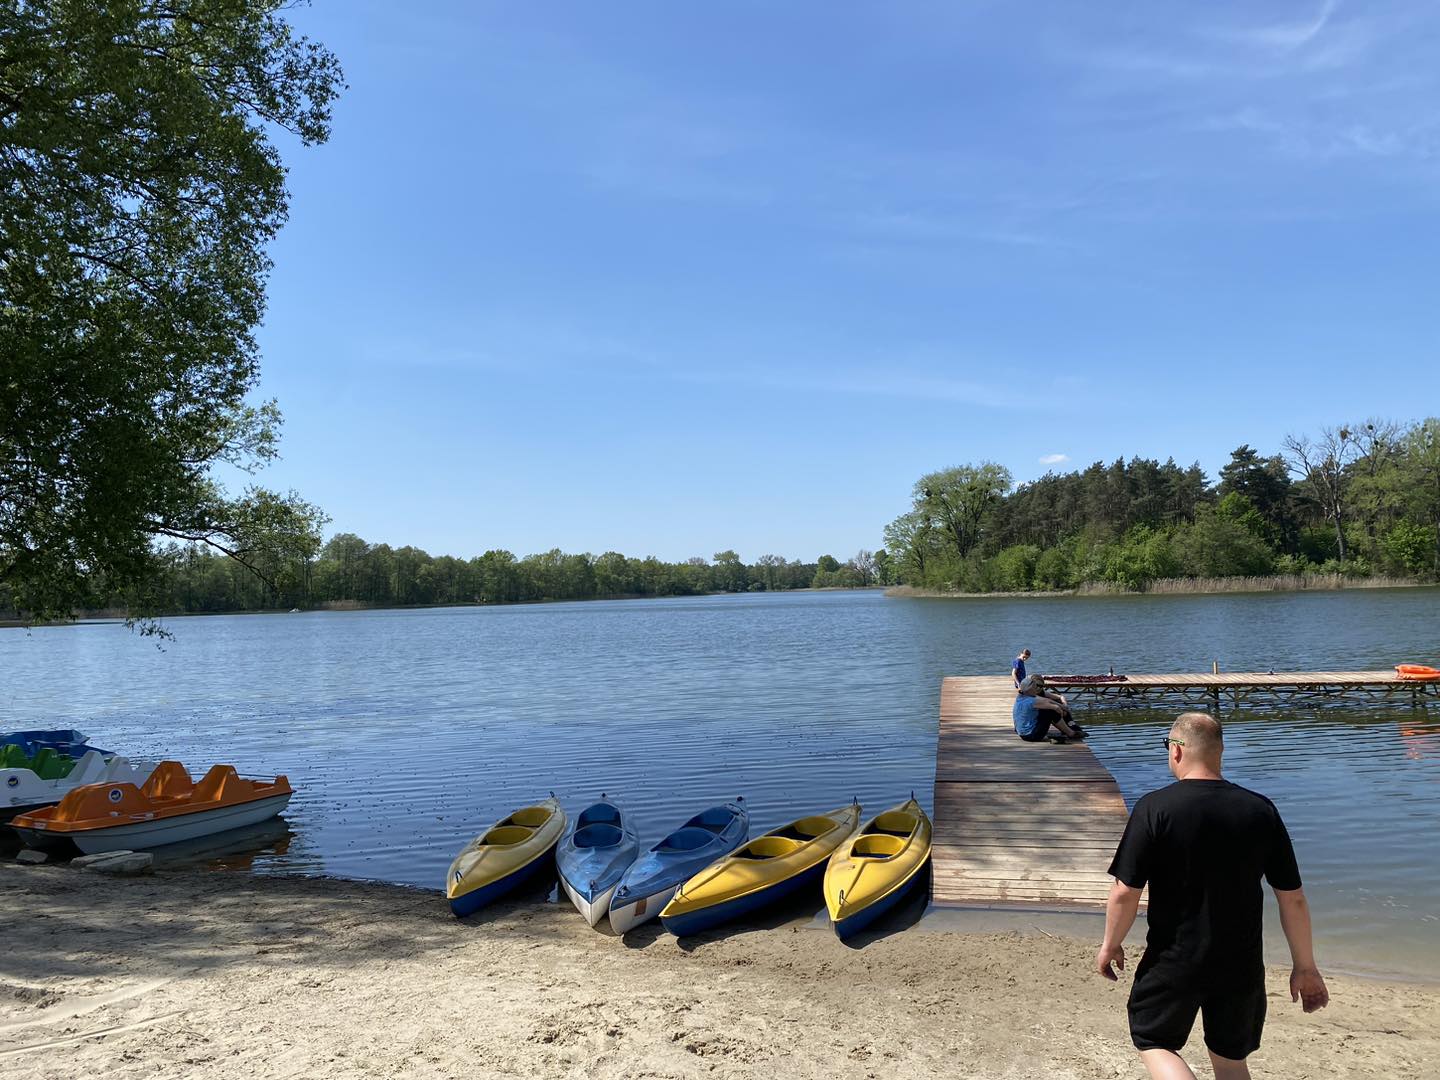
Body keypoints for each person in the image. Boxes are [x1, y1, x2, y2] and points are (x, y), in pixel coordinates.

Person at [1095, 712, 1329, 1080]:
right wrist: (1305, 966)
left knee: (1154, 1041)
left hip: (1174, 959)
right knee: (1230, 1060)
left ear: (1176, 751)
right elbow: (1292, 898)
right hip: (1241, 963)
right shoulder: (1260, 810)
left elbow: (1126, 892)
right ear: (1219, 752)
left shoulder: (1155, 808)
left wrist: (1110, 944)